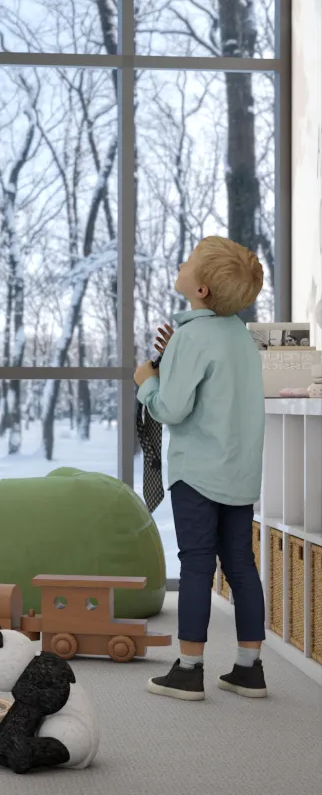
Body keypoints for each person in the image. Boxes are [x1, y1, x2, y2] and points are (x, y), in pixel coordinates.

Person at [134, 236, 267, 701]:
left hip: (197, 474)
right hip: (239, 473)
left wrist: (147, 381)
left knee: (195, 566)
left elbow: (171, 407)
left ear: (202, 290)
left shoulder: (191, 336)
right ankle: (250, 669)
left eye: (189, 261)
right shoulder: (241, 338)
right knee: (241, 566)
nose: (181, 263)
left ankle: (189, 669)